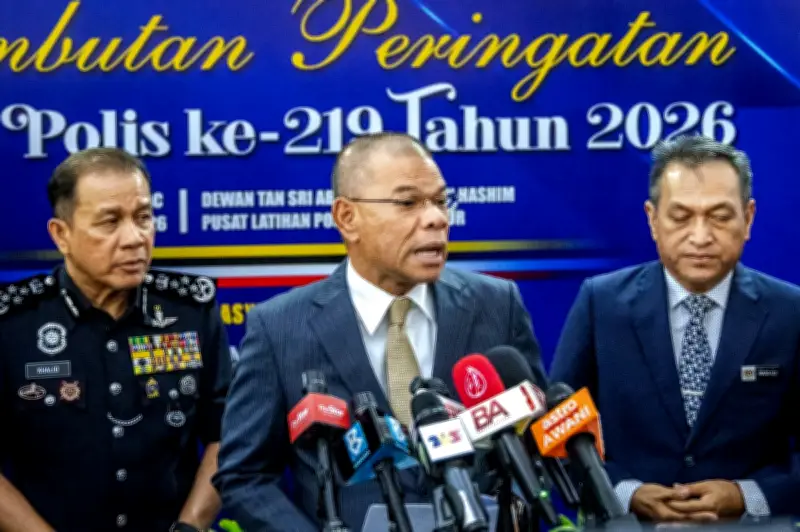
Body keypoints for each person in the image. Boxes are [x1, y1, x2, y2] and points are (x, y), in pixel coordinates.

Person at [212, 132, 547, 531]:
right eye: (408, 203)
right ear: (347, 218)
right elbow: (245, 476)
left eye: (441, 201)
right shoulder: (279, 327)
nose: (437, 219)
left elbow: (537, 443)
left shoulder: (497, 305)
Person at [550, 135, 800, 522]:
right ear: (653, 219)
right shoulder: (601, 304)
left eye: (719, 217)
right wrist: (625, 493)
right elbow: (557, 436)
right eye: (681, 217)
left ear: (748, 218)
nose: (700, 237)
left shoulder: (790, 312)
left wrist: (745, 495)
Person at [0, 148, 232, 532]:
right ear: (61, 235)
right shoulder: (13, 324)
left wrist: (189, 527)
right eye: (110, 222)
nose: (134, 238)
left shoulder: (191, 313)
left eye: (144, 218)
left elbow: (227, 436)